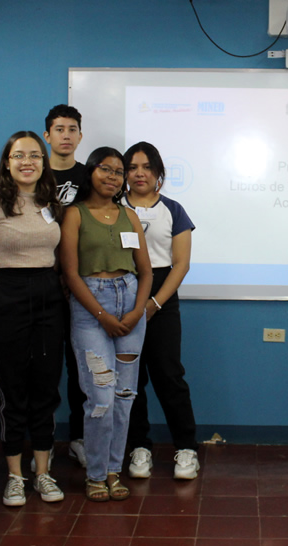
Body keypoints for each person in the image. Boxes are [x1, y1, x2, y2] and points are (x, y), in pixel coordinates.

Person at [0, 131, 66, 506]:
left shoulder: (50, 202)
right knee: (12, 391)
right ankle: (14, 476)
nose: (28, 162)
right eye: (19, 155)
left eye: (35, 156)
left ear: (43, 162)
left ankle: (43, 473)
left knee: (46, 388)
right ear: (7, 162)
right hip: (6, 293)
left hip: (48, 295)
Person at [59, 146, 152, 503]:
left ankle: (114, 471)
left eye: (119, 171)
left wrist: (135, 312)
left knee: (124, 397)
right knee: (100, 397)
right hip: (90, 308)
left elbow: (144, 271)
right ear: (91, 172)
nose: (113, 177)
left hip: (130, 303)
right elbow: (69, 272)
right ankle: (95, 473)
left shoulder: (129, 215)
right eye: (106, 169)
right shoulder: (75, 214)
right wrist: (103, 316)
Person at [120, 142, 200, 480]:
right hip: (121, 294)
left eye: (147, 167)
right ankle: (139, 447)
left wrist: (153, 305)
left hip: (162, 298)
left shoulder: (174, 210)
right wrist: (135, 305)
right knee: (130, 378)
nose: (139, 173)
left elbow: (181, 265)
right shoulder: (113, 208)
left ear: (158, 174)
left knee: (169, 374)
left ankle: (186, 448)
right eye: (133, 167)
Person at [43, 104, 89, 467]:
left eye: (72, 129)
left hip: (81, 286)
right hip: (40, 284)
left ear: (80, 135)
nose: (66, 135)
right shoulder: (32, 173)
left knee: (80, 368)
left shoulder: (90, 177)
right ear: (47, 135)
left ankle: (79, 437)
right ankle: (41, 447)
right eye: (59, 129)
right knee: (43, 370)